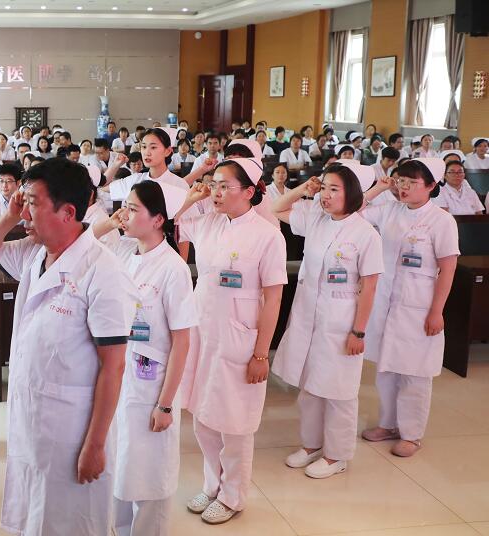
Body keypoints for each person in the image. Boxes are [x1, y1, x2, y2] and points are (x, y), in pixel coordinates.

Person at [0, 158, 134, 536]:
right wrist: (9, 217)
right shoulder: (34, 251)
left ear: (68, 213)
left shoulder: (102, 271)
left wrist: (95, 445)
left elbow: (114, 367)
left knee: (70, 521)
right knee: (36, 514)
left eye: (32, 203)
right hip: (32, 414)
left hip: (71, 427)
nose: (24, 212)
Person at [174, 157, 287, 525]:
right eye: (215, 184)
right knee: (203, 415)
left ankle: (233, 495)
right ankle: (213, 484)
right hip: (203, 332)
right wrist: (193, 197)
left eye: (225, 186)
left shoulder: (268, 235)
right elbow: (170, 217)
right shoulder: (208, 221)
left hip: (240, 337)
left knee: (235, 422)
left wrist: (261, 354)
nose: (217, 192)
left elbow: (274, 298)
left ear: (249, 192)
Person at [88, 181, 194, 536]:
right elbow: (84, 244)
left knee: (150, 474)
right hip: (122, 381)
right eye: (125, 207)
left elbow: (182, 341)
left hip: (152, 386)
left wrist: (165, 404)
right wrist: (111, 222)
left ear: (158, 219)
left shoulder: (173, 268)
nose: (125, 214)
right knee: (121, 467)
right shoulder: (123, 253)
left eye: (134, 209)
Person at [271, 162, 384, 479]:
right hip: (309, 316)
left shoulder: (366, 234)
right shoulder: (316, 218)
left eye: (334, 189)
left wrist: (358, 331)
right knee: (310, 385)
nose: (326, 195)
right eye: (323, 188)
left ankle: (337, 455)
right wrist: (302, 189)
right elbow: (276, 208)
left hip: (342, 320)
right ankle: (311, 445)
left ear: (352, 193)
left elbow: (370, 286)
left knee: (339, 390)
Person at [359, 158, 460, 458]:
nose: (403, 187)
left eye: (411, 182)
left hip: (419, 306)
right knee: (386, 368)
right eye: (400, 180)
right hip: (386, 303)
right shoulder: (390, 209)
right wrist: (380, 188)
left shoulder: (442, 221)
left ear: (431, 186)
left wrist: (436, 311)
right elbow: (354, 210)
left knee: (415, 373)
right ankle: (388, 424)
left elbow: (448, 269)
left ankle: (412, 434)